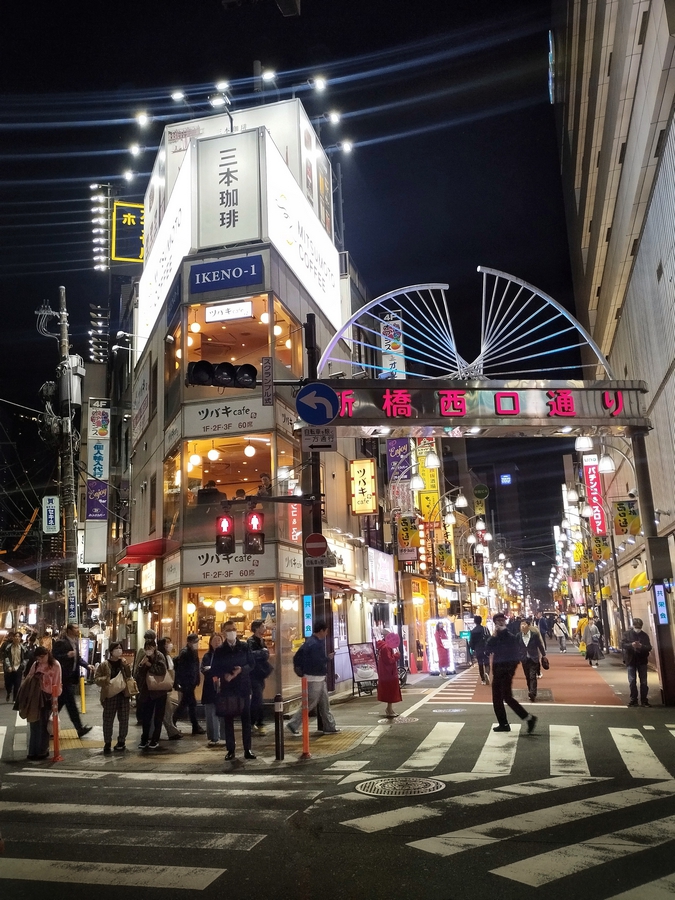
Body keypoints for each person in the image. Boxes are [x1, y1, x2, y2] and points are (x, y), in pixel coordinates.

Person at [211, 621, 256, 760]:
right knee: (228, 719)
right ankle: (230, 749)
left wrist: (241, 670)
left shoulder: (244, 646)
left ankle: (247, 749)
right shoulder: (220, 650)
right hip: (228, 688)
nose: (232, 632)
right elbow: (214, 669)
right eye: (229, 629)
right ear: (224, 632)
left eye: (234, 629)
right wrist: (225, 674)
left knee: (246, 718)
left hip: (243, 687)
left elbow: (252, 664)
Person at [287, 620, 341, 736]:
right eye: (326, 631)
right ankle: (293, 724)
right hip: (314, 678)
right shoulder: (314, 644)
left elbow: (298, 658)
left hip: (317, 678)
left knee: (324, 704)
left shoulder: (311, 642)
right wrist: (328, 658)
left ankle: (330, 726)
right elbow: (317, 661)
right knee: (309, 704)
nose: (326, 633)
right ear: (321, 631)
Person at [486, 613, 537, 734]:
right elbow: (487, 650)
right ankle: (510, 722)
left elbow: (516, 656)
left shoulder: (510, 637)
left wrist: (510, 671)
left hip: (505, 672)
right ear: (494, 623)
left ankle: (525, 719)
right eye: (497, 620)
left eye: (502, 620)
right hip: (498, 671)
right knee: (501, 698)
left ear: (505, 621)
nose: (500, 622)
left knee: (504, 697)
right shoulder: (496, 637)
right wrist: (493, 636)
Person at [52, 624, 94, 737]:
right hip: (63, 678)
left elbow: (77, 658)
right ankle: (79, 729)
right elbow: (54, 657)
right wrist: (67, 655)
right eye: (75, 628)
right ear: (69, 630)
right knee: (71, 705)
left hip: (70, 678)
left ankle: (47, 725)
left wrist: (87, 665)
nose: (77, 630)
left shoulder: (75, 642)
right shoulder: (61, 642)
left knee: (60, 704)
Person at [95, 641, 132, 754]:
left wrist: (126, 666)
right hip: (110, 695)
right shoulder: (104, 664)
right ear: (111, 651)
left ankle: (121, 741)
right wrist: (106, 679)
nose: (119, 650)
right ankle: (107, 742)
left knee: (124, 719)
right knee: (108, 720)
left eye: (120, 648)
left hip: (123, 695)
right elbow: (97, 679)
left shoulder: (123, 663)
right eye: (116, 648)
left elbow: (129, 676)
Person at [26, 646, 62, 761]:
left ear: (47, 654)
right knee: (34, 723)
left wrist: (54, 699)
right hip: (35, 696)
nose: (40, 660)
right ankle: (32, 751)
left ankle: (42, 750)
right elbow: (29, 678)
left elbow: (57, 682)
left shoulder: (55, 665)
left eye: (42, 657)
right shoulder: (36, 664)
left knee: (44, 724)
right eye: (38, 658)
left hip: (47, 696)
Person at [135, 640, 169, 750]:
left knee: (158, 717)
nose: (148, 650)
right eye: (146, 648)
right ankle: (144, 739)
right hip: (147, 692)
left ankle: (155, 740)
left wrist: (150, 665)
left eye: (150, 648)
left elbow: (162, 671)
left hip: (159, 691)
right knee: (146, 717)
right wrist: (142, 664)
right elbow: (138, 673)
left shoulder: (160, 656)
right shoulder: (144, 656)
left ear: (154, 647)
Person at [173, 633, 205, 735]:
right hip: (187, 683)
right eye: (194, 642)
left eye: (197, 642)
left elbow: (195, 667)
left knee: (188, 703)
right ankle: (175, 721)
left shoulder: (193, 652)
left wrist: (197, 679)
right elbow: (182, 669)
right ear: (189, 642)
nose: (196, 644)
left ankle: (193, 726)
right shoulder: (185, 653)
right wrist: (182, 682)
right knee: (189, 704)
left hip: (191, 682)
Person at [247, 620, 273, 735]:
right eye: (262, 626)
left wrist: (264, 653)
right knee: (257, 698)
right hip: (253, 674)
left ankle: (257, 722)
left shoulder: (261, 640)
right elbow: (250, 655)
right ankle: (254, 722)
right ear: (257, 628)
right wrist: (263, 652)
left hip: (260, 673)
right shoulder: (251, 641)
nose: (264, 628)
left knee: (258, 698)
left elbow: (266, 654)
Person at [201, 632, 226, 747]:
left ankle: (224, 737)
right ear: (210, 642)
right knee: (211, 712)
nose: (217, 642)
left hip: (223, 687)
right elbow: (204, 670)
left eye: (219, 640)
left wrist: (213, 669)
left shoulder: (225, 655)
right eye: (214, 640)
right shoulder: (207, 656)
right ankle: (213, 737)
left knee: (224, 713)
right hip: (210, 687)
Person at [622, 618, 652, 707]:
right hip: (631, 660)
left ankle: (644, 700)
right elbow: (623, 644)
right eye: (636, 627)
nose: (638, 629)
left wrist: (641, 646)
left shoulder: (644, 635)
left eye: (639, 627)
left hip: (642, 660)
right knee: (632, 681)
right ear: (633, 626)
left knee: (644, 681)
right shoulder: (627, 634)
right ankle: (633, 699)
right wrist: (631, 645)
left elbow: (649, 647)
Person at [157, 637, 183, 741]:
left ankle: (172, 730)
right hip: (165, 687)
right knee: (167, 711)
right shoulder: (162, 657)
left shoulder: (168, 656)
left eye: (169, 642)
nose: (169, 644)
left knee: (169, 710)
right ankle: (172, 732)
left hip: (170, 686)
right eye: (167, 643)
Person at [517, 619, 547, 702]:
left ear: (528, 626)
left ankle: (533, 693)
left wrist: (544, 655)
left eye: (524, 625)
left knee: (532, 676)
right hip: (524, 659)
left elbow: (540, 645)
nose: (522, 627)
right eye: (521, 625)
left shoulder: (534, 635)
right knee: (527, 676)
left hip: (533, 658)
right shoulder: (518, 636)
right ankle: (530, 690)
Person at [133, 629, 157, 724]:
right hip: (143, 679)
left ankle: (141, 718)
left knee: (141, 699)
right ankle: (141, 718)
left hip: (145, 679)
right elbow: (138, 665)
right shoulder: (144, 651)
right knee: (141, 699)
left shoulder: (145, 651)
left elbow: (136, 666)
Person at [376, 632, 402, 717]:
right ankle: (389, 710)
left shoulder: (383, 646)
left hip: (386, 673)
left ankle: (389, 709)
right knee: (390, 691)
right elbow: (389, 660)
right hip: (389, 673)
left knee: (389, 691)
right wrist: (397, 656)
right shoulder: (386, 647)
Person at [3, 630, 26, 703]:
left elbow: (25, 658)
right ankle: (8, 692)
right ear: (13, 638)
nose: (17, 638)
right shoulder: (8, 647)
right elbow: (6, 657)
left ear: (20, 638)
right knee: (8, 683)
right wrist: (8, 666)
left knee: (17, 684)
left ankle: (15, 698)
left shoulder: (23, 648)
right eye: (15, 636)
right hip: (9, 668)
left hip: (18, 667)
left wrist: (21, 666)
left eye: (18, 637)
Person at [469, 615, 491, 685]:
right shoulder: (485, 629)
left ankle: (483, 679)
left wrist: (473, 648)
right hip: (485, 649)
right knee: (487, 663)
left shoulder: (473, 631)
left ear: (474, 622)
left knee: (480, 664)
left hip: (478, 649)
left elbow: (471, 642)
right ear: (481, 621)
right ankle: (487, 673)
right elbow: (489, 638)